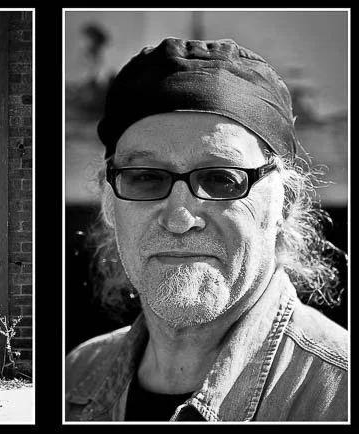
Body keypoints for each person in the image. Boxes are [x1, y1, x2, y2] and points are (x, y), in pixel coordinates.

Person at [65, 38, 348, 421]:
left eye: (221, 179)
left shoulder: (337, 394)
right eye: (146, 178)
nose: (180, 218)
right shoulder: (78, 374)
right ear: (108, 203)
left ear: (286, 202)